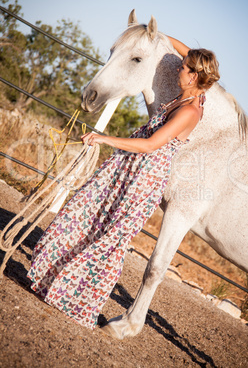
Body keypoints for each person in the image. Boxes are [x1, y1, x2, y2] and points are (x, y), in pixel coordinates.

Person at [27, 37, 220, 330]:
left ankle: (75, 301)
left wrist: (104, 138)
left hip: (143, 179)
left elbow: (151, 145)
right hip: (131, 170)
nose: (177, 70)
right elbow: (189, 54)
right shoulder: (189, 93)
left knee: (109, 235)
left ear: (194, 76)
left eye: (183, 68)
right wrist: (160, 37)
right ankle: (53, 280)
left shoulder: (191, 111)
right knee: (87, 213)